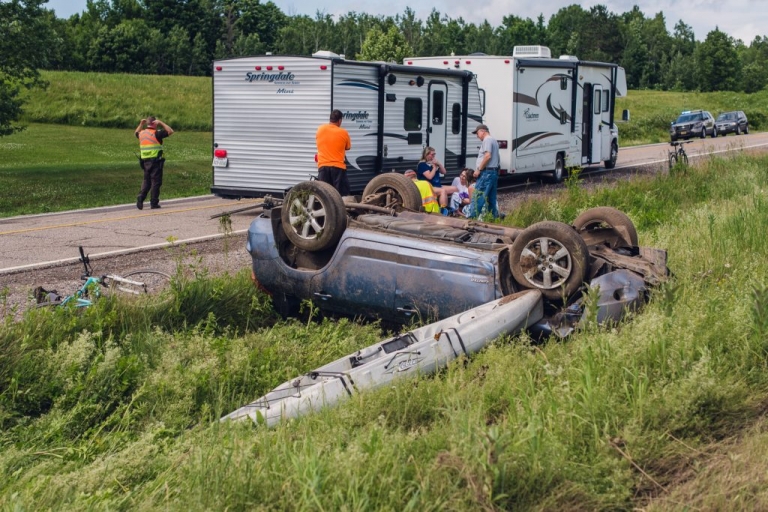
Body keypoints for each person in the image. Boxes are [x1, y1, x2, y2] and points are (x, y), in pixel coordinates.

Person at [135, 116, 174, 210]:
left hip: (145, 162)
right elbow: (170, 131)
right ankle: (154, 203)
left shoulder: (142, 133)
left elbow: (135, 133)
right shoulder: (157, 133)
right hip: (156, 161)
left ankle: (141, 198)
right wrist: (161, 122)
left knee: (146, 181)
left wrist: (141, 124)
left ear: (147, 123)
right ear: (154, 123)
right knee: (156, 182)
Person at [316, 109, 352, 196]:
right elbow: (348, 147)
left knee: (324, 195)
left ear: (330, 119)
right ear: (339, 121)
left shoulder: (320, 129)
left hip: (323, 167)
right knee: (341, 195)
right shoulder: (343, 132)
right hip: (338, 168)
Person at [470, 124, 500, 219]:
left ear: (482, 131)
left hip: (486, 173)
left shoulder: (487, 140)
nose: (477, 136)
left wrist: (479, 169)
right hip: (493, 172)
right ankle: (493, 218)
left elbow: (487, 156)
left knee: (478, 197)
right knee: (491, 199)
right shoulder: (493, 140)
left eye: (477, 133)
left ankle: (472, 219)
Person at [416, 147, 458, 214]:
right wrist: (434, 168)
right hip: (429, 187)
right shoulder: (422, 165)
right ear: (426, 155)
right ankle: (444, 210)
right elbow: (429, 176)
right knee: (442, 191)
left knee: (455, 189)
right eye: (432, 154)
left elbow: (444, 172)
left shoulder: (433, 163)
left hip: (437, 185)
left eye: (434, 154)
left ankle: (454, 207)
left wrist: (439, 164)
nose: (433, 156)